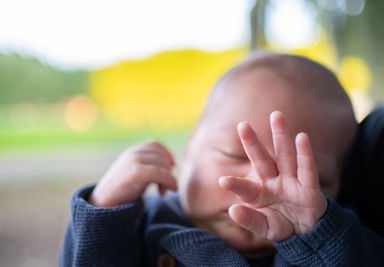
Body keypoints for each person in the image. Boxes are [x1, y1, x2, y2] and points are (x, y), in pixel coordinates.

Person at [59, 51, 384, 266]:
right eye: (234, 154)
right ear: (189, 149)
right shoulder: (142, 224)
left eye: (303, 176)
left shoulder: (342, 241)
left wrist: (319, 235)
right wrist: (104, 207)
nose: (260, 186)